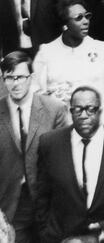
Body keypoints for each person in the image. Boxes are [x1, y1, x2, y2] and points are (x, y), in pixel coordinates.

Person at [35, 86, 104, 243]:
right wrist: (47, 233)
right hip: (62, 237)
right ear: (70, 112)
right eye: (78, 110)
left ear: (100, 111)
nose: (84, 115)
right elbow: (42, 196)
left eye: (90, 109)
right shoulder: (50, 143)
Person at [0, 51, 68, 243]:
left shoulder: (54, 110)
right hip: (11, 203)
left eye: (20, 77)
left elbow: (65, 160)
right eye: (9, 78)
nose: (15, 83)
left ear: (31, 77)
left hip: (48, 201)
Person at [33, 0, 104, 122]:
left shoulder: (100, 48)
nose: (85, 21)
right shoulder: (46, 52)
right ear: (65, 24)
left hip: (97, 125)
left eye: (87, 16)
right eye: (79, 18)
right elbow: (36, 94)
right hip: (62, 128)